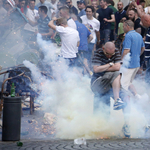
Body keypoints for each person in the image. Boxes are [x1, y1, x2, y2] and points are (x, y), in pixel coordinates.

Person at [91, 42, 125, 112]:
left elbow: (118, 67)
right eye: (107, 54)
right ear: (103, 49)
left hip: (109, 81)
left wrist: (102, 68)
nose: (109, 56)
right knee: (116, 73)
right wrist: (109, 64)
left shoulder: (116, 52)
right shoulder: (98, 52)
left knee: (126, 95)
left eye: (111, 54)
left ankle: (118, 101)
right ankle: (116, 99)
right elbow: (96, 69)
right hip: (98, 82)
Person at [121, 20, 145, 98]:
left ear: (127, 26)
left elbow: (126, 50)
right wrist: (137, 56)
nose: (123, 28)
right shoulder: (139, 35)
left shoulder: (128, 35)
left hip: (129, 65)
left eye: (123, 26)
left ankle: (127, 104)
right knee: (128, 83)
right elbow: (143, 48)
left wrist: (121, 61)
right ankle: (137, 98)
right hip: (136, 64)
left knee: (123, 86)